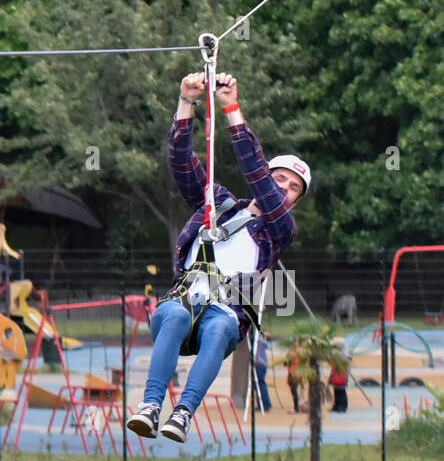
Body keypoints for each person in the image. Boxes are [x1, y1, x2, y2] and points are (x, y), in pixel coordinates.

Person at [127, 71, 310, 442]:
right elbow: (182, 164)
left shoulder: (280, 230)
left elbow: (257, 174)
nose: (284, 190)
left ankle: (182, 413)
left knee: (221, 327)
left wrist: (233, 111)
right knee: (175, 315)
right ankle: (150, 406)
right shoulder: (218, 204)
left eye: (294, 189)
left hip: (224, 312)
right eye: (281, 179)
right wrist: (186, 102)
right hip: (184, 299)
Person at [254, 330, 272, 413]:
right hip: (259, 364)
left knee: (260, 384)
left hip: (259, 364)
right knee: (258, 385)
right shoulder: (260, 341)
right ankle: (261, 404)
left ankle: (266, 404)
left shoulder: (259, 340)